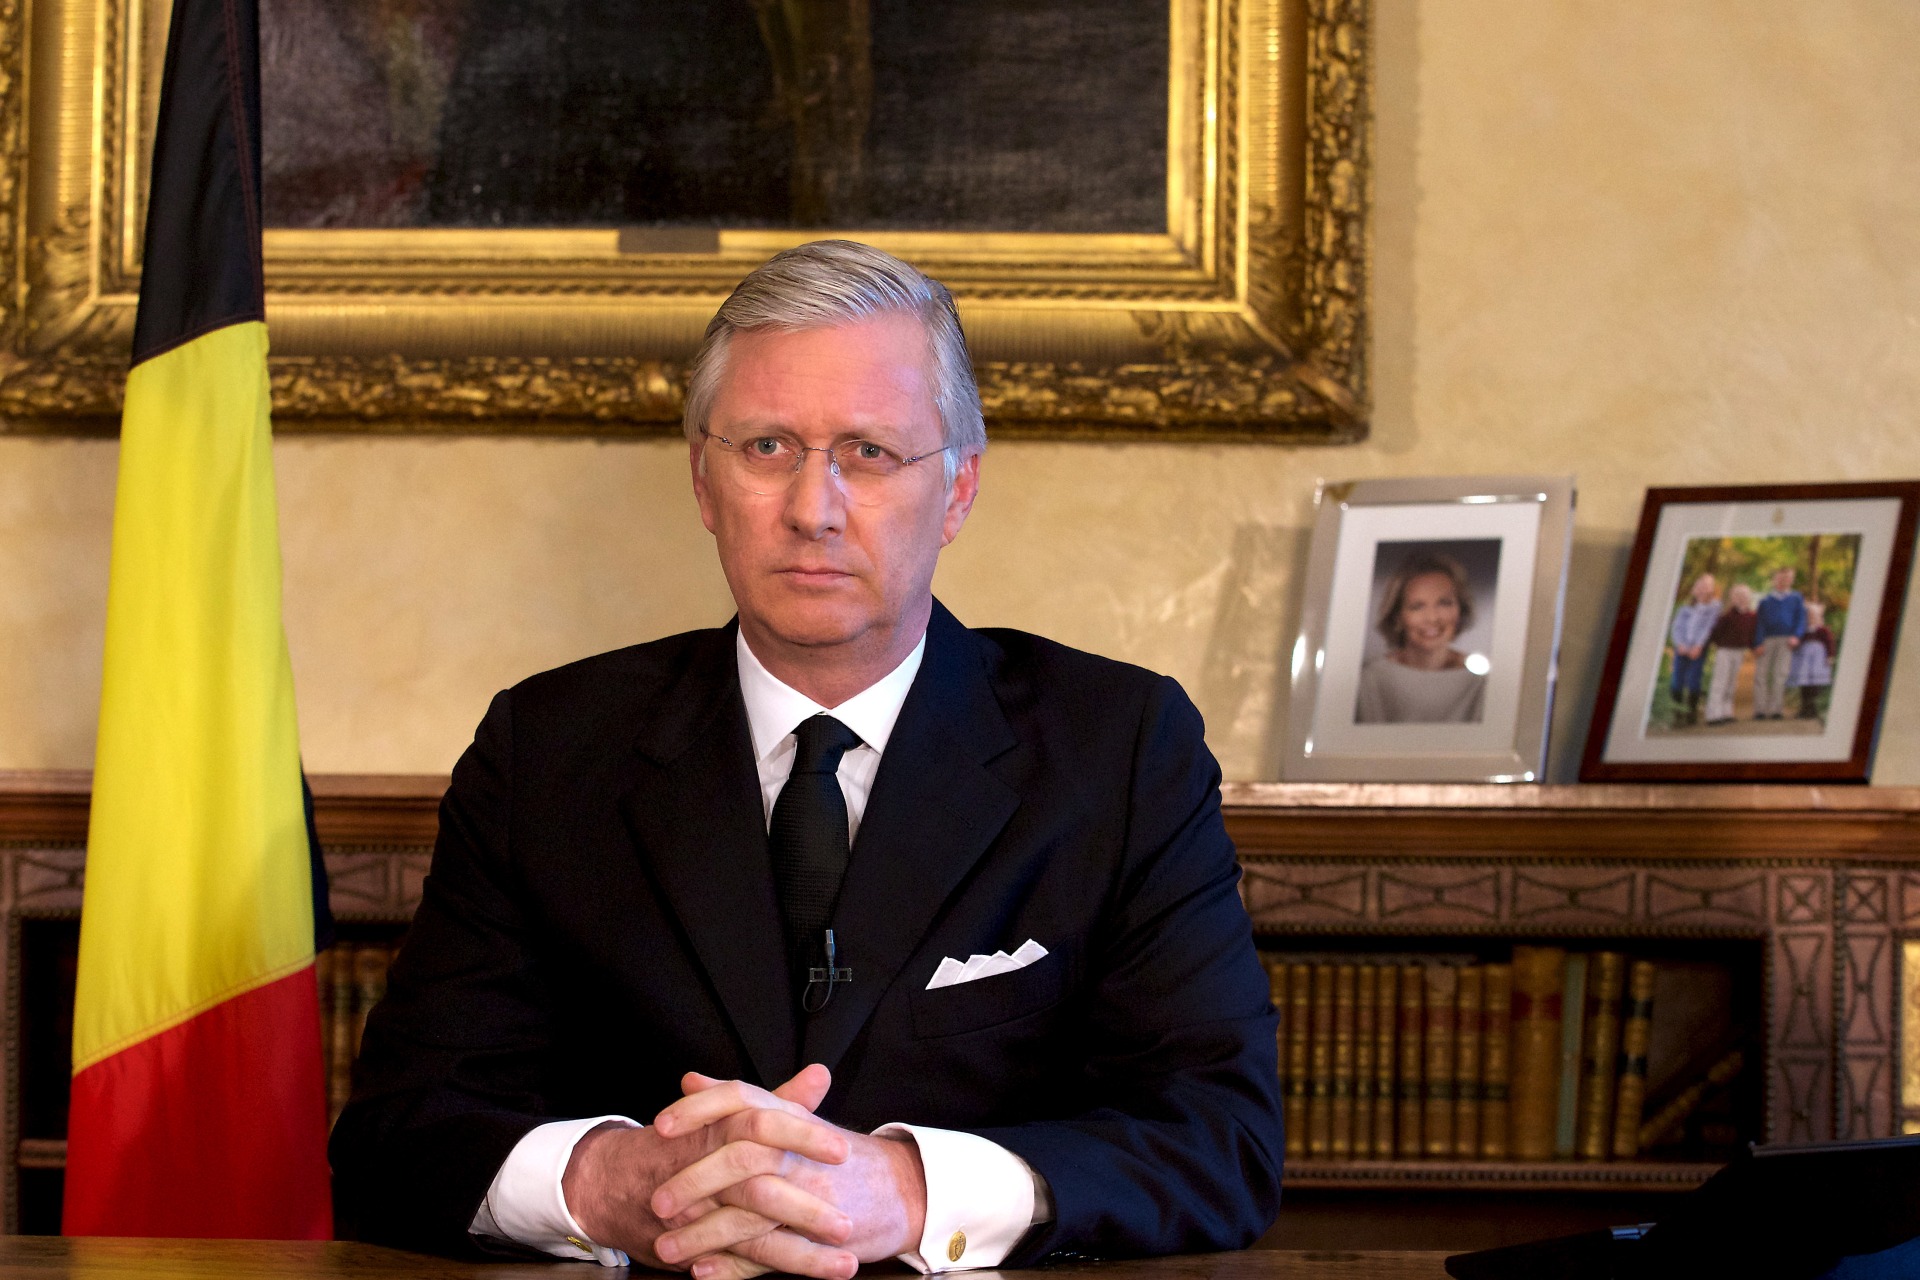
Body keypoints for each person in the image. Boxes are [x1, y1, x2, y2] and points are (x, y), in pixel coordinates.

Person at [329, 241, 1284, 1278]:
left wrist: (909, 1191)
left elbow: (1218, 1139)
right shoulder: (549, 748)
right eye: (769, 446)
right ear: (705, 479)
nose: (812, 507)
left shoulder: (1119, 748)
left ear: (958, 490)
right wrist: (612, 1180)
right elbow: (396, 1137)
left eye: (869, 451)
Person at [1353, 551, 1486, 724]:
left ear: (1461, 610)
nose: (1432, 618)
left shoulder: (1482, 680)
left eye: (1444, 603)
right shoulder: (1370, 678)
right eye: (1417, 607)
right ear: (1398, 616)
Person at [1751, 566, 1807, 720]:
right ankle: (1760, 710)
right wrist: (1758, 642)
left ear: (1791, 580)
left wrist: (1796, 635)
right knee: (1761, 674)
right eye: (1781, 577)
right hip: (1767, 640)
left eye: (1788, 578)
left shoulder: (1796, 598)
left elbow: (1801, 619)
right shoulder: (1765, 600)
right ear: (1775, 579)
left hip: (1786, 640)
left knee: (1780, 674)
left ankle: (1776, 709)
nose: (1784, 581)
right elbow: (1760, 623)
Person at [1665, 574, 1721, 727]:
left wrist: (1698, 645)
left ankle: (1691, 714)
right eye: (1700, 586)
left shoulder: (1714, 607)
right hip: (1682, 648)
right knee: (1677, 679)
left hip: (1699, 649)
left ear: (1712, 589)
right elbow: (1677, 627)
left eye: (1707, 586)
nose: (1703, 589)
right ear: (1694, 589)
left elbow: (1708, 628)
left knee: (1694, 680)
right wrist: (1680, 643)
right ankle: (1677, 713)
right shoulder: (1686, 608)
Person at [1702, 583, 1758, 725]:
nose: (1741, 599)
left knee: (1731, 682)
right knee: (1720, 681)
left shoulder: (1751, 616)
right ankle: (1713, 714)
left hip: (1739, 652)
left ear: (1749, 598)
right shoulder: (1727, 616)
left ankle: (1726, 712)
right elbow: (1715, 634)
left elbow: (1751, 635)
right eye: (1738, 596)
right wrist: (1717, 645)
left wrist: (1753, 648)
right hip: (1725, 651)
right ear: (1733, 598)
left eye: (1744, 596)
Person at [1787, 601, 1836, 721]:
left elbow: (1829, 644)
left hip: (1818, 663)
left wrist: (1829, 656)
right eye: (1809, 616)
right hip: (1804, 663)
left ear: (1819, 617)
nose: (1811, 618)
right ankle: (1804, 710)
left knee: (1815, 686)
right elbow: (1797, 643)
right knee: (1805, 686)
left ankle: (1813, 710)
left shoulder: (1823, 631)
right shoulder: (1802, 630)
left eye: (1814, 616)